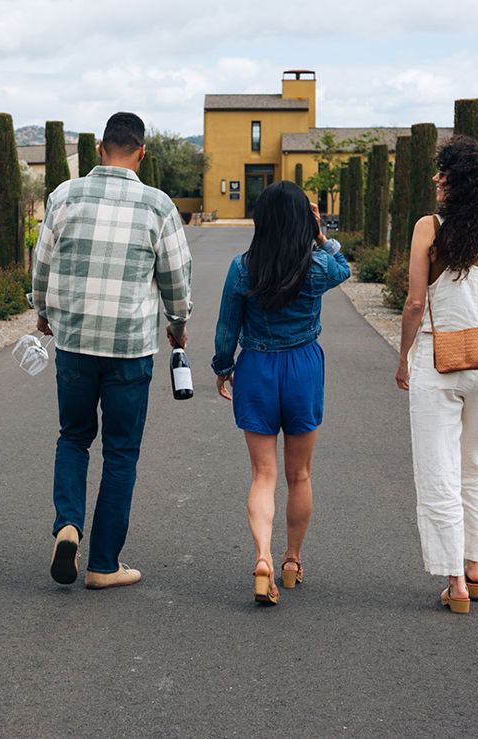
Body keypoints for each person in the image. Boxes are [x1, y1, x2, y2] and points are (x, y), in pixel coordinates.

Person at [33, 112, 193, 589]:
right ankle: (103, 565)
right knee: (121, 452)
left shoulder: (65, 194)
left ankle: (67, 526)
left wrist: (43, 311)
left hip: (75, 345)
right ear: (141, 153)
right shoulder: (158, 205)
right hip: (130, 349)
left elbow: (42, 265)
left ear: (100, 149)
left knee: (74, 437)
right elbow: (177, 281)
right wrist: (178, 327)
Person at [395, 135, 478, 614]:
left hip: (437, 363)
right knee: (475, 466)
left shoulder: (429, 228)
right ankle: (476, 566)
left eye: (442, 171)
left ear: (456, 180)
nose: (434, 178)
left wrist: (403, 356)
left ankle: (455, 583)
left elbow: (415, 303)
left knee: (438, 471)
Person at [212, 181, 350, 605]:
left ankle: (262, 559)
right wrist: (322, 235)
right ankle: (291, 561)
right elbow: (342, 267)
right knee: (300, 475)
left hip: (256, 368)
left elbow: (226, 328)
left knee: (263, 476)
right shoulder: (317, 267)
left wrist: (223, 368)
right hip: (303, 369)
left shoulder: (242, 267)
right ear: (301, 221)